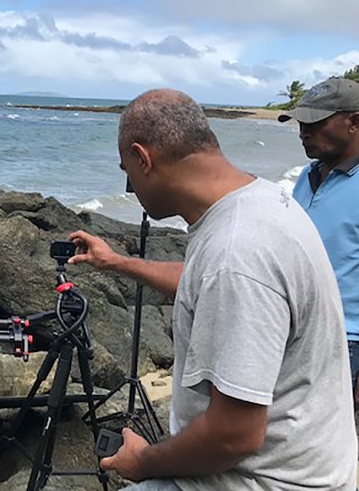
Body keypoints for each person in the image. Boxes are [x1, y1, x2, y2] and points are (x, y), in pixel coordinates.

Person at [68, 89, 356, 489]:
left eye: (126, 170)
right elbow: (205, 282)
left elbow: (233, 434)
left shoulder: (238, 250)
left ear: (143, 158)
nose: (130, 188)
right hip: (306, 463)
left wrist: (143, 461)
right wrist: (117, 261)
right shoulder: (259, 200)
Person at [277, 77, 359, 407]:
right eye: (300, 123)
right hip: (295, 328)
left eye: (316, 122)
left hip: (345, 339)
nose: (303, 132)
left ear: (354, 122)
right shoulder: (306, 177)